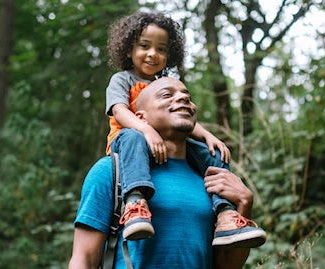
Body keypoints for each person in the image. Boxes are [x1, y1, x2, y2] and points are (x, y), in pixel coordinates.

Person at [104, 11, 266, 248]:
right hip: (130, 144)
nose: (153, 54)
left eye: (161, 49)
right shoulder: (122, 80)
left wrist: (209, 136)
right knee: (132, 136)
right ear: (128, 50)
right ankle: (135, 203)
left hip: (167, 145)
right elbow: (119, 111)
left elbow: (182, 119)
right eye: (144, 46)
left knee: (212, 154)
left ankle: (225, 215)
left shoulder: (166, 83)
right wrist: (146, 130)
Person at [69, 77, 262, 268]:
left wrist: (244, 204)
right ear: (140, 118)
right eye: (167, 95)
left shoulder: (213, 178)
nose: (183, 98)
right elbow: (84, 259)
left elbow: (227, 266)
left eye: (187, 96)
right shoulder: (110, 171)